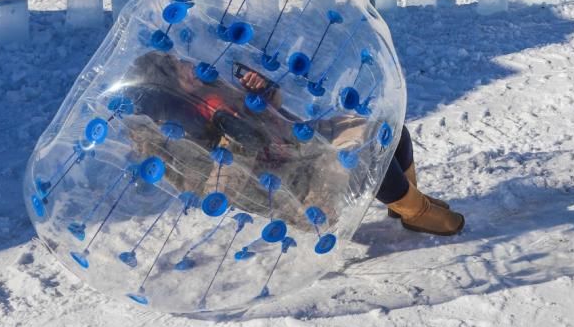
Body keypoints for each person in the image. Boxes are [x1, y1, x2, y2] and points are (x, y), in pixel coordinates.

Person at [125, 51, 464, 235]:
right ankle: (416, 209)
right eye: (177, 66)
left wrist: (262, 91)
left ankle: (403, 204)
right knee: (362, 157)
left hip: (297, 138)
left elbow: (268, 112)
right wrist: (237, 143)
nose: (187, 62)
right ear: (171, 87)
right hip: (291, 178)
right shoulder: (183, 135)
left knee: (390, 132)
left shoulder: (212, 91)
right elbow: (218, 183)